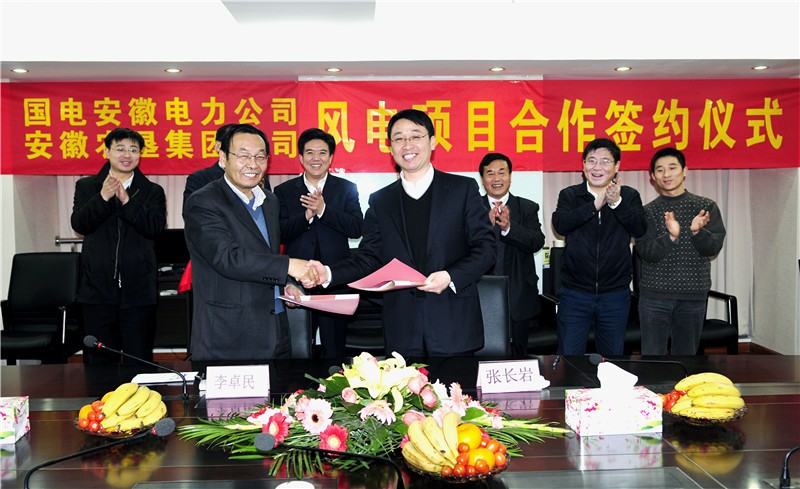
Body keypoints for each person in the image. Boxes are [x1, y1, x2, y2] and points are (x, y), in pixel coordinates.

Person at [304, 109, 496, 358]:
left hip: (453, 324)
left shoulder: (462, 189)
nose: (407, 145)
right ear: (391, 148)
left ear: (432, 142)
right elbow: (369, 257)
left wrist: (450, 276)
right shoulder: (381, 201)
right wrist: (328, 273)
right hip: (403, 328)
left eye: (415, 136)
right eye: (399, 138)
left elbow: (486, 248)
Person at [183, 124, 315, 361]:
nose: (253, 164)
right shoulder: (203, 201)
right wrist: (288, 266)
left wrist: (285, 284)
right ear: (223, 158)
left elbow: (265, 254)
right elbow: (227, 258)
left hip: (276, 329)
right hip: (230, 334)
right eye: (243, 155)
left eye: (260, 157)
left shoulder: (270, 201)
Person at [71, 127, 167, 364]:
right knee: (99, 364)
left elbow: (155, 228)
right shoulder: (87, 186)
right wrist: (103, 197)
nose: (127, 155)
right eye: (120, 148)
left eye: (133, 150)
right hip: (96, 291)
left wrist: (127, 201)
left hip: (138, 292)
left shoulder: (152, 191)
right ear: (107, 152)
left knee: (139, 361)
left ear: (140, 154)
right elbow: (80, 224)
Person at [551, 137, 647, 356]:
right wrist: (596, 204)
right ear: (583, 165)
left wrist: (617, 203)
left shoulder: (629, 195)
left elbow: (640, 228)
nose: (597, 167)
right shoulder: (570, 195)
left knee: (612, 358)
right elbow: (561, 225)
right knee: (569, 357)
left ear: (616, 167)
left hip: (615, 294)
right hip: (575, 293)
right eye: (592, 161)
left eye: (605, 161)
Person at [273, 128, 364, 358]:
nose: (316, 158)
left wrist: (323, 210)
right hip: (297, 281)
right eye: (310, 153)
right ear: (301, 157)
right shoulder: (283, 191)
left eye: (322, 153)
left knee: (335, 349)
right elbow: (279, 233)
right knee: (298, 349)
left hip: (335, 279)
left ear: (331, 158)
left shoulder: (346, 188)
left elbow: (357, 228)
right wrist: (306, 217)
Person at [635, 147, 726, 355]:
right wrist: (671, 237)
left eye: (672, 168)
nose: (666, 174)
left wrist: (697, 232)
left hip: (693, 296)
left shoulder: (705, 207)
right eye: (660, 170)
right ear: (652, 177)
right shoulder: (647, 212)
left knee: (686, 360)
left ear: (685, 171)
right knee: (652, 359)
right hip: (654, 297)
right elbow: (646, 252)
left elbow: (713, 248)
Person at [479, 153, 545, 356]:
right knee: (483, 355)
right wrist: (484, 227)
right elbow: (459, 247)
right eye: (490, 173)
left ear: (510, 176)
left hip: (518, 296)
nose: (496, 178)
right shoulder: (472, 208)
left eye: (502, 172)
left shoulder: (527, 207)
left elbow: (536, 241)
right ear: (482, 178)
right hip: (481, 296)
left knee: (518, 355)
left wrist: (509, 228)